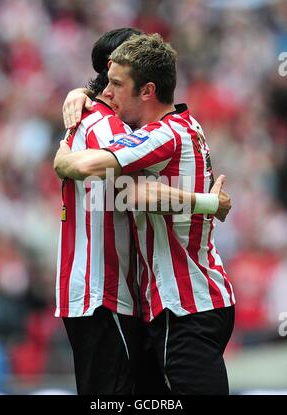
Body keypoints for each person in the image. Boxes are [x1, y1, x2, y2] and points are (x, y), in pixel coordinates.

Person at [54, 33, 235, 395]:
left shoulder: (160, 134)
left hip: (183, 304)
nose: (107, 92)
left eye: (116, 84)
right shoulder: (187, 124)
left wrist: (61, 158)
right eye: (106, 82)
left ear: (147, 89)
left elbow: (133, 192)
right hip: (173, 301)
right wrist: (210, 203)